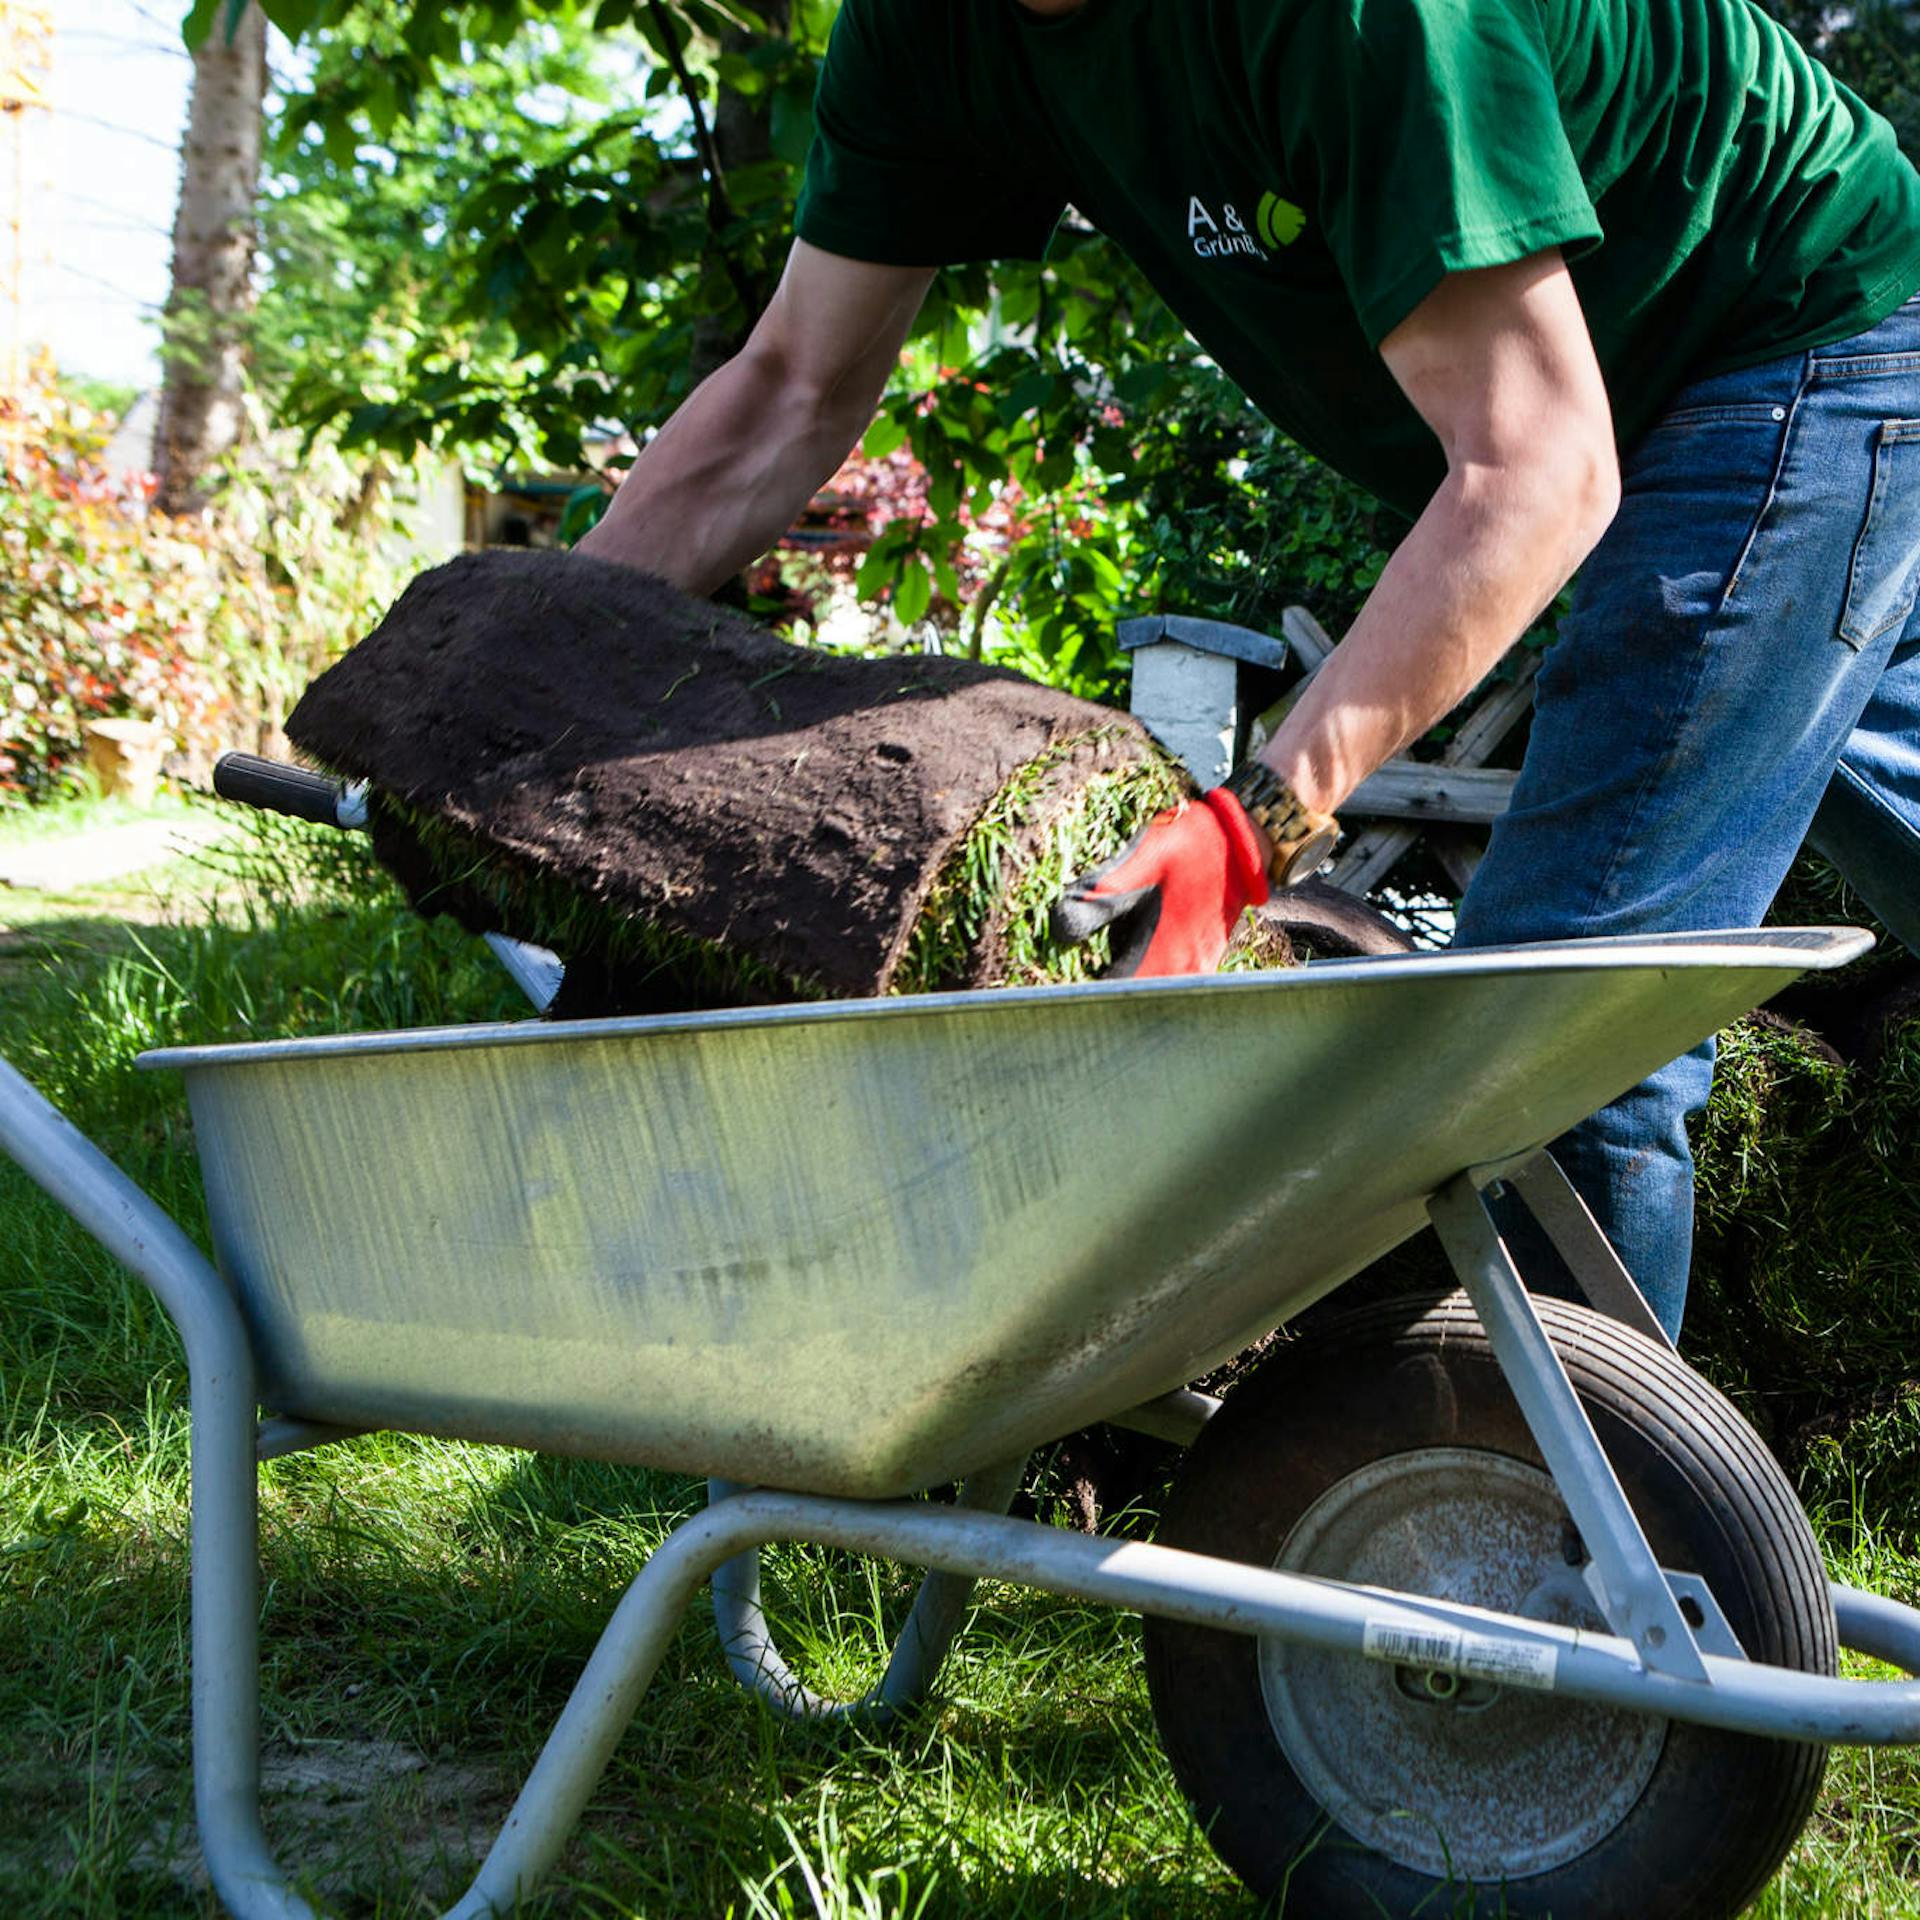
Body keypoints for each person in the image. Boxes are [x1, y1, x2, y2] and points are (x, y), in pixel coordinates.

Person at [578, 0, 1920, 1339]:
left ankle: (1555, 1527)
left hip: (1791, 330)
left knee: (1563, 1022)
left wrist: (1257, 824)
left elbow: (1534, 472)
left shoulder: (1362, 18)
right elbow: (793, 388)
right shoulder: (928, 30)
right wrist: (531, 641)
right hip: (1604, 387)